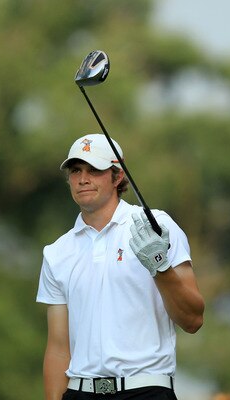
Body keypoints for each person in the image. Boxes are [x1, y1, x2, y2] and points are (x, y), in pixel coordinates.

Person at [36, 133, 204, 400]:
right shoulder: (57, 252)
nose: (83, 179)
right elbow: (58, 348)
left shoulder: (155, 226)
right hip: (81, 392)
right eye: (76, 170)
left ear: (118, 176)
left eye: (95, 170)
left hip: (146, 390)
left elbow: (193, 319)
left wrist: (160, 267)